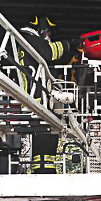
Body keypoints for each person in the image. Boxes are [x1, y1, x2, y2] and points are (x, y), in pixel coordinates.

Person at [18, 15, 76, 174]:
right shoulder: (29, 39)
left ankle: (43, 168)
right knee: (45, 132)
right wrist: (70, 44)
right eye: (48, 32)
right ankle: (44, 169)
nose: (49, 36)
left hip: (32, 95)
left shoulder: (21, 41)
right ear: (40, 29)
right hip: (36, 96)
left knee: (45, 133)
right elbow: (49, 52)